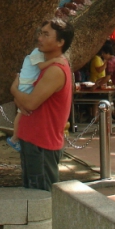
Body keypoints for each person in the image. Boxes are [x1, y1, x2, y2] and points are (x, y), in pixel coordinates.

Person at [10, 18, 74, 191]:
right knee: (33, 194)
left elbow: (29, 103)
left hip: (41, 144)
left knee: (41, 198)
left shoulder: (55, 70)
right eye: (41, 33)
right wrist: (19, 96)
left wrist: (14, 90)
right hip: (33, 140)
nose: (40, 38)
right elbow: (24, 100)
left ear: (61, 42)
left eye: (46, 35)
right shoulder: (43, 67)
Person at [7, 48, 57, 152]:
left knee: (24, 112)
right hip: (27, 84)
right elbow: (41, 66)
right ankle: (14, 138)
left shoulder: (42, 53)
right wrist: (54, 61)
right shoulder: (37, 52)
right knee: (21, 113)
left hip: (29, 83)